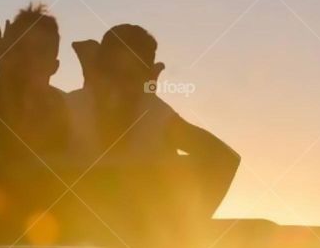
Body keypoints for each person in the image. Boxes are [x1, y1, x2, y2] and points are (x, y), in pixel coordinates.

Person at [67, 23, 240, 215]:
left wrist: (191, 224)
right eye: (110, 73)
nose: (117, 86)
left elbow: (225, 159)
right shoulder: (71, 108)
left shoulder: (157, 117)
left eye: (130, 77)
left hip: (143, 229)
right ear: (97, 74)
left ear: (148, 80)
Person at [0, 3, 69, 156]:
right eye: (19, 48)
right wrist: (4, 73)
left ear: (54, 66)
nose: (28, 57)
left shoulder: (58, 105)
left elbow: (22, 151)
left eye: (40, 51)